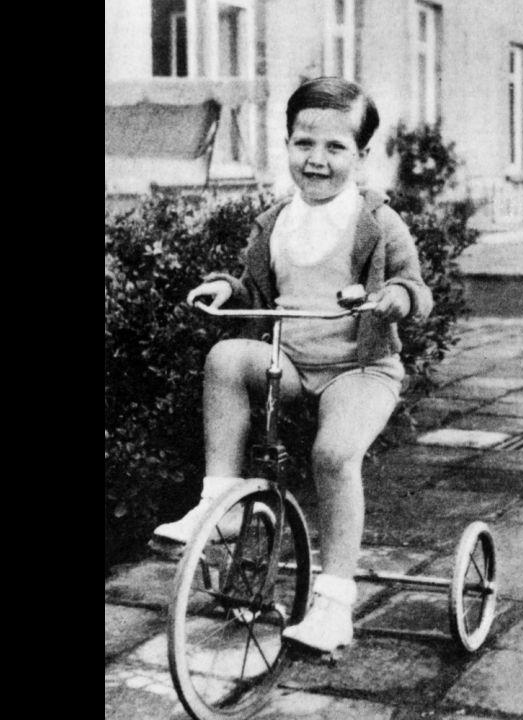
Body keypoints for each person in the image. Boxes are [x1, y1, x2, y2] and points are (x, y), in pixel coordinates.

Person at [153, 77, 433, 653]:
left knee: (333, 454)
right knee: (227, 357)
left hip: (360, 367)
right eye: (304, 144)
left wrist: (397, 298)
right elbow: (255, 283)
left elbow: (415, 289)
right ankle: (219, 503)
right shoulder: (276, 220)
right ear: (286, 144)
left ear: (362, 156)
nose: (317, 160)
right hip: (292, 358)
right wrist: (226, 288)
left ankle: (334, 603)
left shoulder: (376, 221)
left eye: (335, 148)